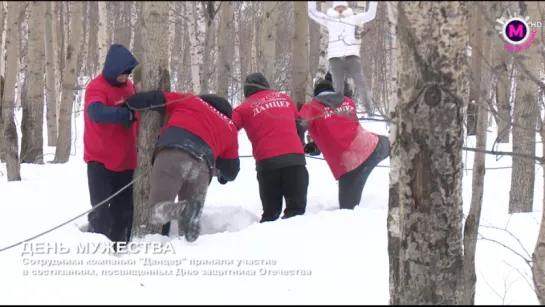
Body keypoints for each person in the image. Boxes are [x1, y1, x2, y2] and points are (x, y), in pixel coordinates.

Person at [123, 91, 240, 242]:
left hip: (172, 153)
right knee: (189, 230)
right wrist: (223, 177)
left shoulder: (190, 100)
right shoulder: (230, 127)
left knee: (155, 212)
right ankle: (189, 249)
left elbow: (156, 98)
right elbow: (231, 171)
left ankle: (183, 209)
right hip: (203, 167)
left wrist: (128, 105)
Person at [300, 80, 389, 210]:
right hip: (374, 146)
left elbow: (300, 126)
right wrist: (317, 145)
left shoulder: (311, 107)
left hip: (350, 167)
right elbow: (341, 127)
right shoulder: (348, 101)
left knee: (348, 211)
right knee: (401, 144)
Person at [232, 73, 309, 222]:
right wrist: (301, 145)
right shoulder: (285, 99)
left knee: (270, 214)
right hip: (295, 160)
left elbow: (228, 129)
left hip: (268, 163)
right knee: (297, 213)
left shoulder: (243, 109)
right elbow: (300, 124)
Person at [83, 44, 139, 244]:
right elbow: (95, 112)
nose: (125, 77)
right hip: (100, 161)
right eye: (122, 73)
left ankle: (121, 247)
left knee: (124, 210)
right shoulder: (96, 87)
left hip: (126, 161)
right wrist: (124, 114)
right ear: (113, 69)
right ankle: (98, 250)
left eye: (128, 73)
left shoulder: (129, 87)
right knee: (101, 211)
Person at [307, 1, 378, 117]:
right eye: (338, 7)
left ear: (346, 9)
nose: (340, 9)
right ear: (334, 9)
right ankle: (332, 109)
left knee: (360, 82)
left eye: (342, 7)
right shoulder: (329, 20)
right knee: (338, 91)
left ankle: (369, 108)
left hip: (352, 56)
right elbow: (312, 13)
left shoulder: (353, 19)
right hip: (335, 59)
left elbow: (370, 15)